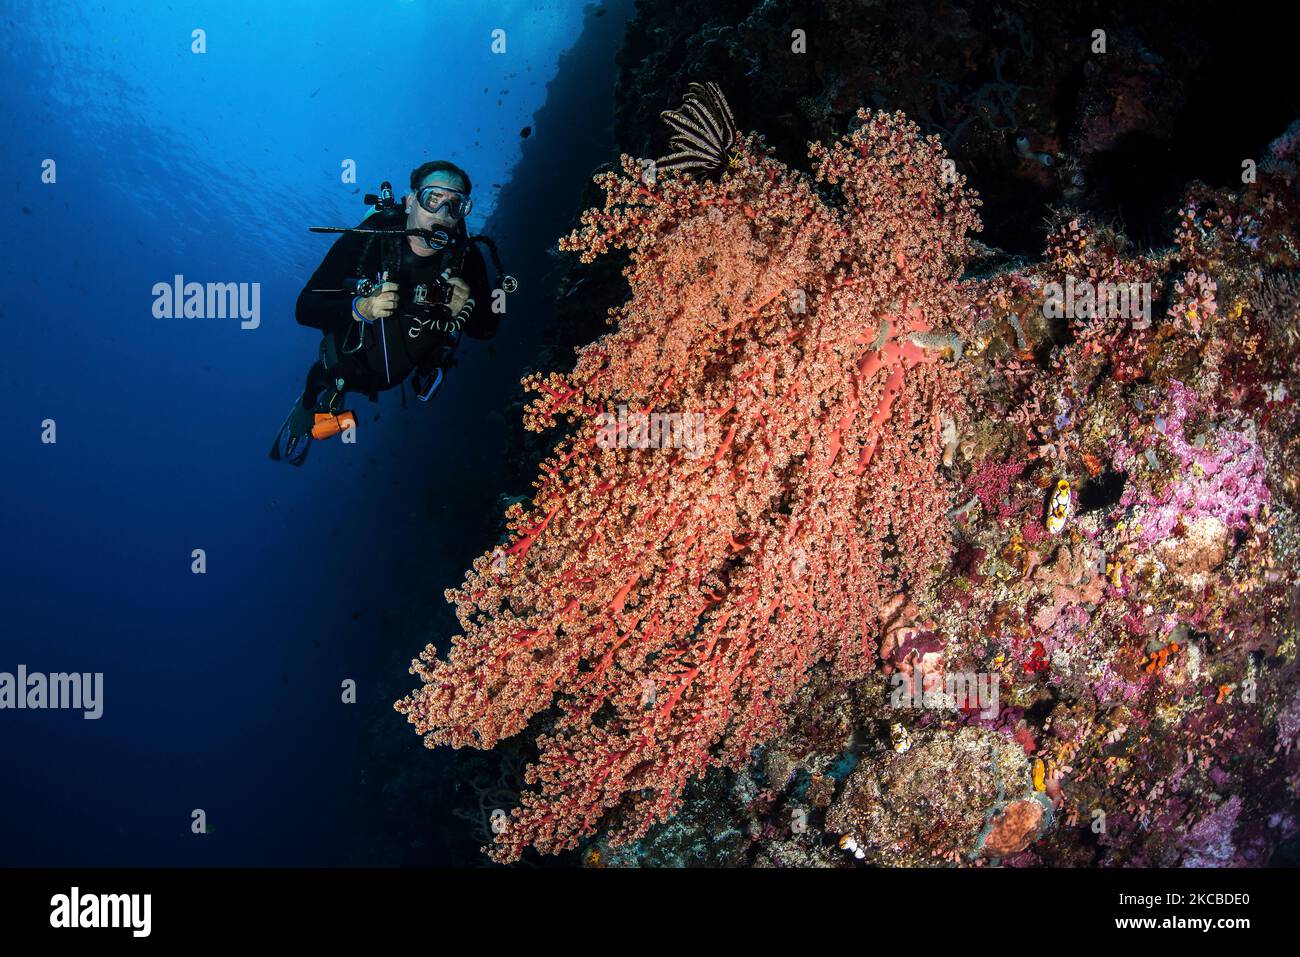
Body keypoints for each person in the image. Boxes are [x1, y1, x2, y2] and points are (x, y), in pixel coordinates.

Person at [271, 160, 499, 464]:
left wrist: (467, 307)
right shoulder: (369, 239)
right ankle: (307, 407)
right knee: (325, 382)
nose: (443, 215)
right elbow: (304, 308)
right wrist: (359, 309)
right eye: (433, 199)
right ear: (410, 201)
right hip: (348, 363)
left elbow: (486, 330)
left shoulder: (466, 259)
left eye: (456, 205)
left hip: (407, 370)